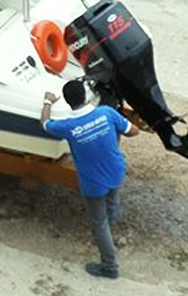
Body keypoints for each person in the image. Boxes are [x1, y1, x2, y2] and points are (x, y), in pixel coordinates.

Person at [41, 79, 138, 279]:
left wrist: (48, 102)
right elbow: (134, 131)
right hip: (116, 171)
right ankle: (109, 233)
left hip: (94, 183)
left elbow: (45, 124)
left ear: (68, 102)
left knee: (98, 222)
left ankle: (109, 266)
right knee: (112, 204)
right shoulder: (106, 113)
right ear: (85, 96)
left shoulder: (68, 126)